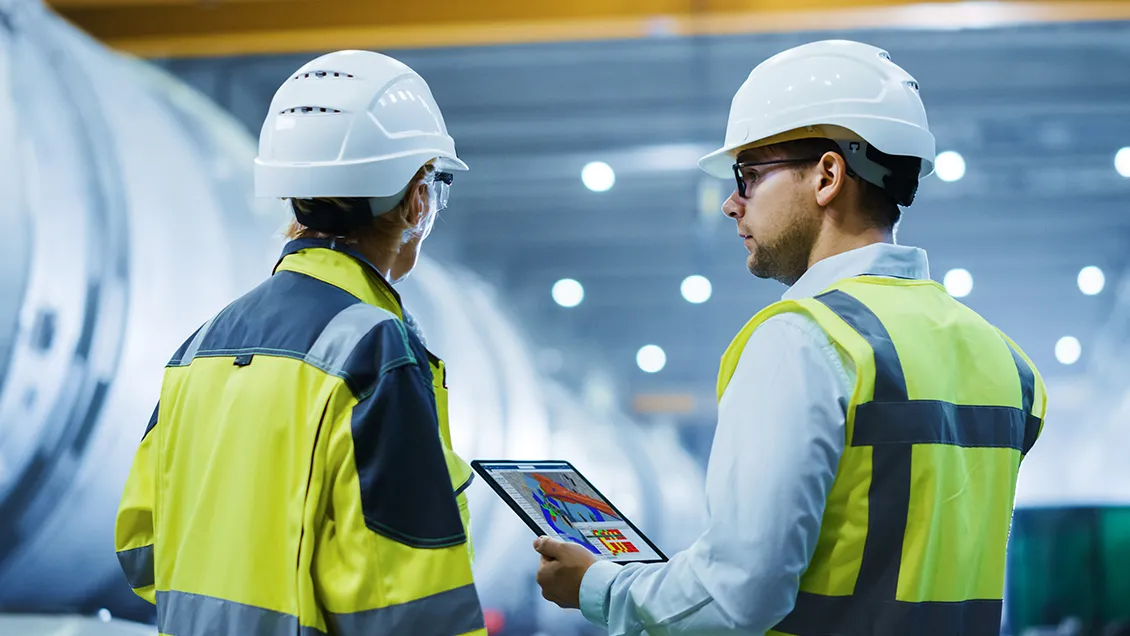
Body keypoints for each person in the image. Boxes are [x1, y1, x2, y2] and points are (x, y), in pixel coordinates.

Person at [534, 39, 1048, 635]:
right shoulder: (1007, 363)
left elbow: (738, 595)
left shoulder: (806, 342)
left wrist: (599, 584)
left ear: (827, 175)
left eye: (748, 175)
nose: (731, 204)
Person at [114, 50, 486, 636]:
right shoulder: (374, 354)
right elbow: (412, 606)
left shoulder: (200, 347)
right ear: (417, 200)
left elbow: (142, 549)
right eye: (435, 185)